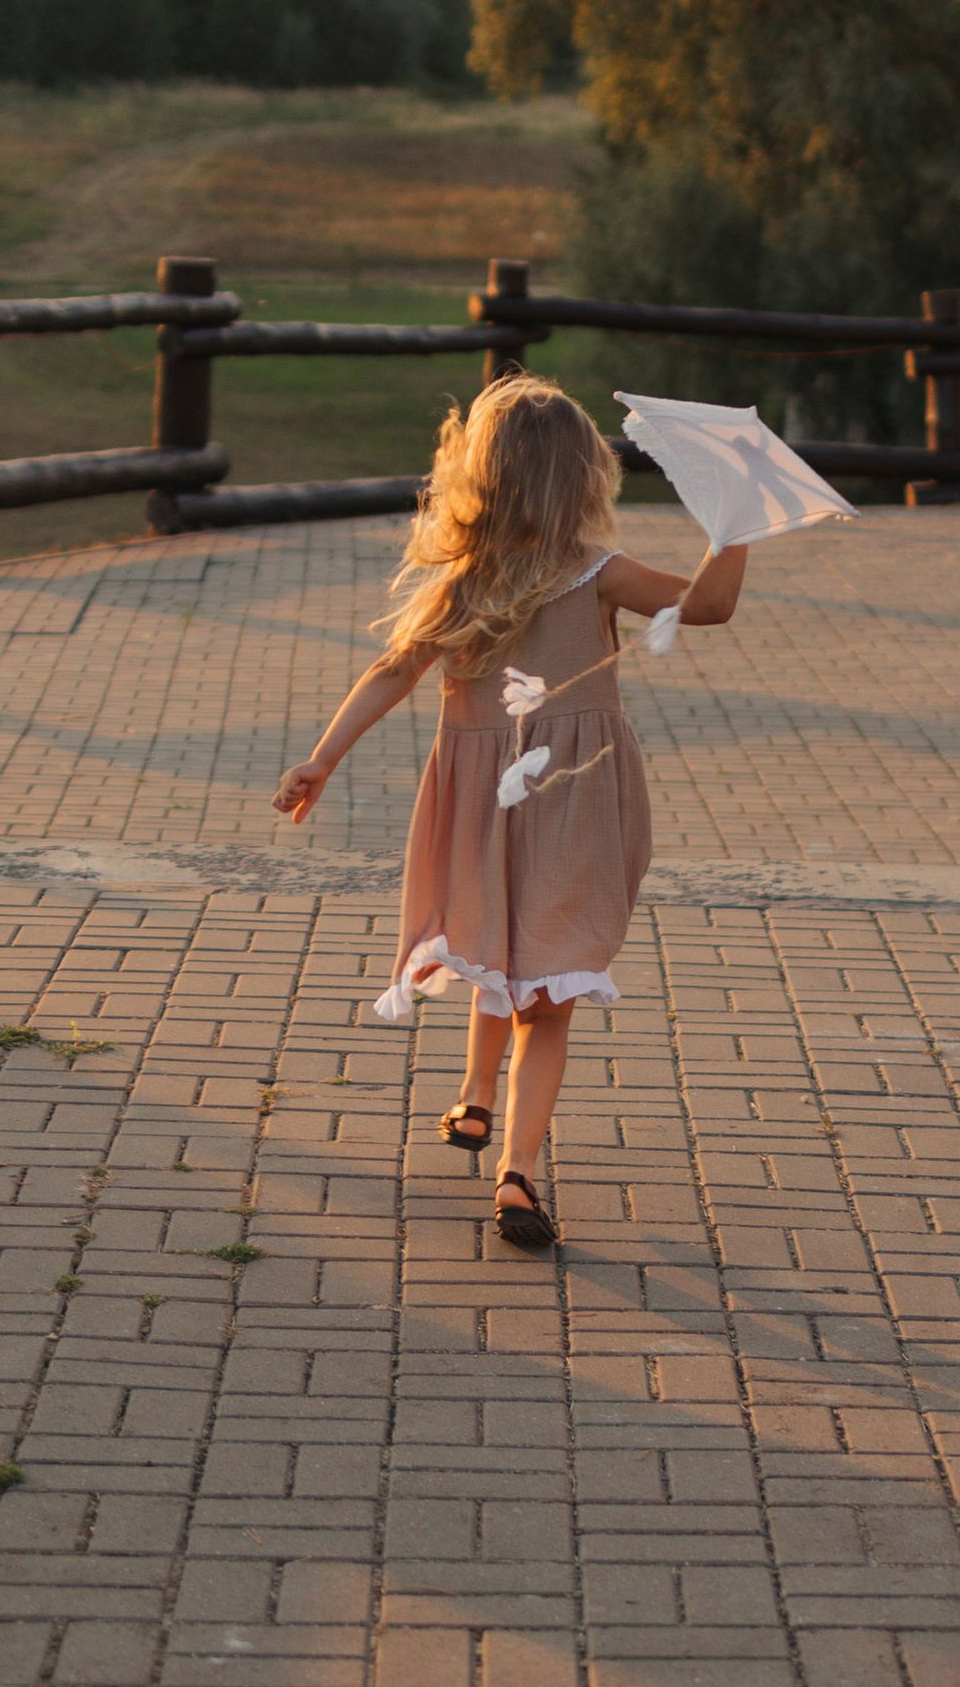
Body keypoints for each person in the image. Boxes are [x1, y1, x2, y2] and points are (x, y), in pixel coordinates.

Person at [272, 374, 745, 1250]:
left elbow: (391, 671)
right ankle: (516, 1174)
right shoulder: (600, 574)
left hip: (485, 800)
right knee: (545, 985)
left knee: (501, 941)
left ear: (479, 479)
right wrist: (736, 524)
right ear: (580, 480)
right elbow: (711, 605)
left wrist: (322, 759)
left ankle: (477, 1100)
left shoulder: (464, 579)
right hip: (571, 801)